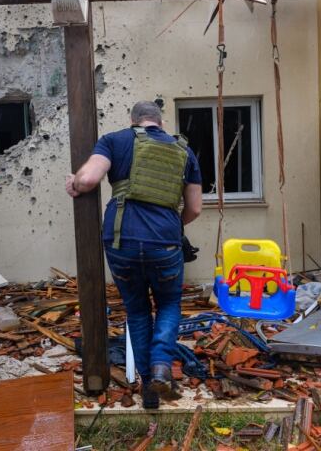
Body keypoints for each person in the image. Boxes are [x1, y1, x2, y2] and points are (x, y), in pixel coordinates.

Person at [66, 100, 202, 409]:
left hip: (121, 241)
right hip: (165, 244)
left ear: (134, 120)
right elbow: (194, 208)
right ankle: (161, 367)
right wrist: (168, 226)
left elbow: (87, 179)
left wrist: (72, 183)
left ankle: (149, 390)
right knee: (168, 304)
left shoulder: (115, 140)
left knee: (139, 311)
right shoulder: (184, 151)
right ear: (160, 122)